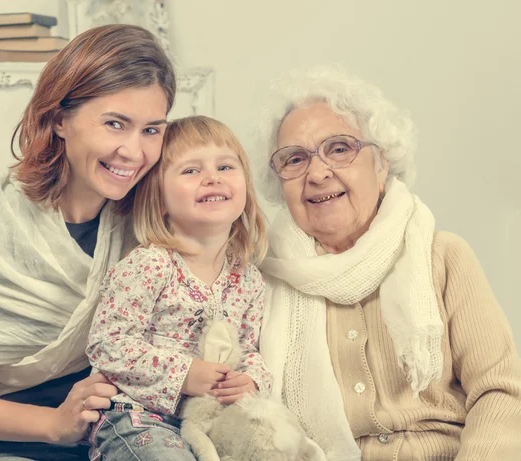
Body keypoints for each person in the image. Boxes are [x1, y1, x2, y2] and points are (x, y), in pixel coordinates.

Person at [0, 24, 175, 460]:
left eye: (152, 130)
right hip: (21, 439)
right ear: (59, 119)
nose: (134, 152)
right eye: (115, 124)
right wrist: (53, 426)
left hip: (139, 428)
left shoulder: (156, 213)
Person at [256, 67, 521, 461]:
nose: (317, 173)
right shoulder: (257, 281)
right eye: (294, 159)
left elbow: (500, 392)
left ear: (382, 164)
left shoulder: (443, 256)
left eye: (340, 148)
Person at [86, 115, 272, 460]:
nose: (212, 178)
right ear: (159, 199)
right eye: (191, 171)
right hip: (137, 418)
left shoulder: (247, 279)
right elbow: (106, 344)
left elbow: (248, 347)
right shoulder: (149, 266)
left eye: (226, 166)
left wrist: (252, 380)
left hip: (208, 422)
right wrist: (184, 373)